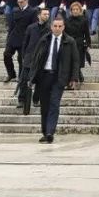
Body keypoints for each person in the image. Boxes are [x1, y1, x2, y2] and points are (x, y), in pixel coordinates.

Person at [26, 14, 79, 143]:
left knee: (54, 104)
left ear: (63, 27)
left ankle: (50, 132)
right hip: (44, 76)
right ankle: (45, 132)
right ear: (51, 27)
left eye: (60, 26)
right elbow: (36, 59)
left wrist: (74, 78)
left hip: (59, 77)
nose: (57, 28)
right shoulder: (44, 40)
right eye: (55, 26)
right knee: (44, 106)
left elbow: (75, 61)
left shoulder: (69, 41)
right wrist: (31, 77)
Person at [4, 0, 37, 83]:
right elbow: (11, 25)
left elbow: (34, 26)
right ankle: (11, 74)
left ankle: (21, 76)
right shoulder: (15, 11)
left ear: (26, 1)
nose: (20, 4)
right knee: (6, 55)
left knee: (21, 59)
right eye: (18, 2)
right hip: (14, 37)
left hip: (25, 38)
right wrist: (8, 38)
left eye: (21, 2)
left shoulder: (33, 11)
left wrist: (31, 40)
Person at [63, 1, 91, 86]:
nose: (75, 11)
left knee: (77, 61)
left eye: (77, 9)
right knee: (70, 61)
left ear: (80, 10)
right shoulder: (67, 20)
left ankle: (77, 77)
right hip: (69, 43)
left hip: (79, 43)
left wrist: (88, 44)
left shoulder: (84, 20)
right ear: (71, 11)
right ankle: (77, 77)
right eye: (73, 9)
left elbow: (87, 33)